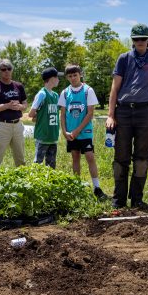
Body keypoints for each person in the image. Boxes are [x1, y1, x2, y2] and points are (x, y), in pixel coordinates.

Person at [105, 24, 148, 208]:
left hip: (145, 112)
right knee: (120, 157)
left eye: (143, 39)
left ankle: (137, 199)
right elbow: (114, 89)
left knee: (141, 158)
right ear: (132, 40)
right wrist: (110, 115)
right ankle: (119, 199)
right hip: (123, 111)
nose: (140, 42)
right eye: (136, 39)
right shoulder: (124, 59)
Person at [59, 65, 107, 199]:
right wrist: (64, 131)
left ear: (80, 74)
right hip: (70, 133)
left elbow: (90, 113)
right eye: (70, 76)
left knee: (90, 157)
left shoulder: (88, 90)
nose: (73, 78)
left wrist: (77, 130)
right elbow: (62, 114)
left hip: (84, 132)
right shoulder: (65, 92)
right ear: (67, 77)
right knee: (75, 157)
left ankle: (97, 187)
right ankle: (77, 187)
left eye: (75, 75)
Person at [0, 59, 27, 170]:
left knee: (21, 159)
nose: (6, 71)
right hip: (2, 126)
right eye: (3, 69)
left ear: (12, 70)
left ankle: (23, 183)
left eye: (9, 69)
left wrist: (20, 107)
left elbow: (25, 103)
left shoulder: (18, 86)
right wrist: (6, 106)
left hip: (17, 125)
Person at [28, 67, 61, 168]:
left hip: (53, 135)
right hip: (43, 135)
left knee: (51, 165)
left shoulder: (55, 95)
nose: (58, 80)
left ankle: (49, 183)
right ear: (51, 79)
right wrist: (40, 117)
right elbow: (31, 114)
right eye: (57, 77)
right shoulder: (42, 94)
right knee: (38, 163)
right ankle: (34, 182)